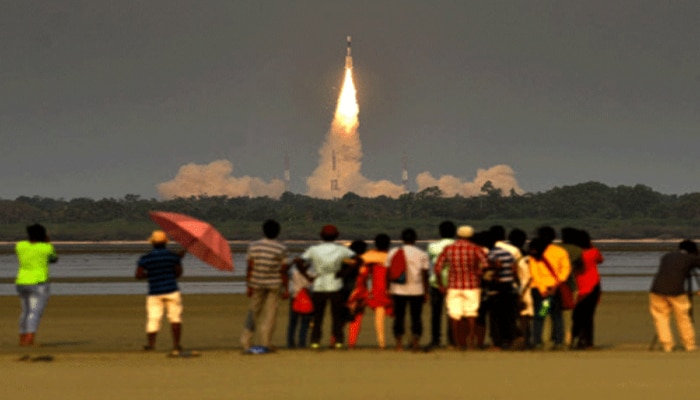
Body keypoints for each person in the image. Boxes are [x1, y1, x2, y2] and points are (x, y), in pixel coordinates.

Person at [296, 224, 356, 350]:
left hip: (319, 286)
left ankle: (315, 341)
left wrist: (307, 276)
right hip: (335, 286)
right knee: (337, 316)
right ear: (336, 236)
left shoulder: (314, 249)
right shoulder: (341, 250)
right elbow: (358, 260)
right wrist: (344, 273)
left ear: (321, 236)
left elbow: (299, 261)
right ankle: (339, 341)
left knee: (317, 317)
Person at [435, 225, 488, 350]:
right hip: (472, 285)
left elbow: (438, 268)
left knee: (454, 314)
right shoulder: (476, 248)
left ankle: (459, 342)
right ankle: (471, 341)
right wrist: (478, 273)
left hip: (454, 285)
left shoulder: (449, 249)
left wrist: (441, 284)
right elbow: (485, 265)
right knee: (471, 313)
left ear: (458, 235)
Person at [240, 219, 289, 351]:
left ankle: (246, 341)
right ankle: (266, 342)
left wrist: (248, 285)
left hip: (256, 282)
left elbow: (250, 266)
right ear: (278, 232)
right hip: (274, 283)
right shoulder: (281, 248)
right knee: (271, 314)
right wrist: (286, 288)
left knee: (253, 312)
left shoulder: (254, 246)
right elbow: (283, 270)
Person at [135, 230, 184, 354]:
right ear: (165, 243)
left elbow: (138, 275)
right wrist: (177, 260)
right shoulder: (173, 256)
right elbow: (178, 274)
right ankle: (176, 345)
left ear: (153, 243)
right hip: (172, 290)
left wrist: (151, 274)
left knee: (153, 318)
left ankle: (151, 345)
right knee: (175, 318)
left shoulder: (146, 258)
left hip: (155, 291)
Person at [649, 239, 700, 352]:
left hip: (657, 289)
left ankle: (667, 345)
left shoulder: (667, 256)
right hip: (677, 291)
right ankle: (689, 344)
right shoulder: (690, 258)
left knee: (661, 318)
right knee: (683, 317)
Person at [528, 226, 572, 350]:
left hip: (540, 290)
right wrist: (555, 286)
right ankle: (558, 341)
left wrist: (542, 289)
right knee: (556, 316)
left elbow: (534, 272)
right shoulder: (560, 251)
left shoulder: (535, 251)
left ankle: (537, 341)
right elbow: (565, 270)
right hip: (554, 290)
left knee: (540, 315)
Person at [15, 223, 58, 346]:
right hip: (39, 282)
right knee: (35, 311)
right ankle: (30, 337)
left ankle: (22, 337)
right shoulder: (46, 248)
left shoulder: (20, 245)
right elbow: (54, 259)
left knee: (25, 311)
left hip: (22, 281)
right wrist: (48, 243)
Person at [346, 233, 392, 349]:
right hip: (380, 290)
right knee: (379, 319)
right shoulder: (389, 256)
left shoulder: (370, 255)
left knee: (355, 317)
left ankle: (350, 343)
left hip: (360, 289)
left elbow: (358, 260)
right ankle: (382, 343)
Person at [387, 228, 429, 351]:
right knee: (416, 317)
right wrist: (426, 292)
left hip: (398, 289)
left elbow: (388, 272)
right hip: (417, 289)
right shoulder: (422, 254)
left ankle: (399, 343)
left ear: (402, 239)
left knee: (399, 317)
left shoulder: (393, 252)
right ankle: (415, 342)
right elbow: (425, 274)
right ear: (415, 239)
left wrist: (387, 288)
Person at [427, 221, 456, 349]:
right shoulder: (457, 246)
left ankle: (436, 340)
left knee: (435, 314)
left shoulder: (433, 246)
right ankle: (452, 340)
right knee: (453, 313)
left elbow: (433, 261)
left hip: (436, 283)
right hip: (454, 283)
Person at [571, 230, 603, 350]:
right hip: (593, 286)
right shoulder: (593, 252)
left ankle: (573, 338)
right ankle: (587, 341)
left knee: (577, 315)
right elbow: (600, 260)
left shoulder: (573, 254)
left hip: (577, 288)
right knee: (588, 316)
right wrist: (591, 245)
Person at [286, 261, 313, 349]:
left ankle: (290, 342)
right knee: (304, 323)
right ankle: (302, 342)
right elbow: (311, 287)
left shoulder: (294, 273)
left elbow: (285, 270)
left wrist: (293, 262)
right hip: (306, 299)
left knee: (293, 322)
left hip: (295, 298)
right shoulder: (310, 275)